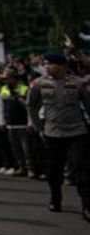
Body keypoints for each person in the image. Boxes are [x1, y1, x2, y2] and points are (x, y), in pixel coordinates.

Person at [26, 51, 90, 218]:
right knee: (54, 169)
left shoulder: (78, 83)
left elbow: (88, 105)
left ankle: (86, 205)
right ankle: (55, 198)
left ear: (62, 66)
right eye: (46, 64)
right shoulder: (39, 84)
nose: (47, 66)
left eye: (51, 64)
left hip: (77, 131)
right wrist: (39, 127)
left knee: (81, 169)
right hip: (52, 132)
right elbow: (32, 106)